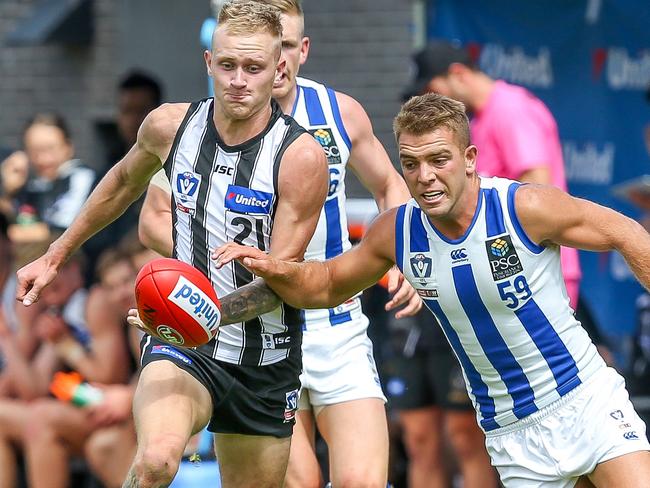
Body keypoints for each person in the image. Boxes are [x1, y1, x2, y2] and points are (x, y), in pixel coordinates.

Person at [214, 93, 650, 487]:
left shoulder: (523, 207)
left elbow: (624, 232)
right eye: (410, 163)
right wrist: (275, 268)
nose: (424, 176)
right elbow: (327, 283)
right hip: (511, 431)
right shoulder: (396, 231)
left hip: (585, 399)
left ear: (470, 158)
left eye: (439, 159)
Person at [16, 2, 330, 487]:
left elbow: (280, 285)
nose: (238, 80)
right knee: (157, 460)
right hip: (182, 346)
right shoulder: (169, 126)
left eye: (253, 67)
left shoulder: (301, 158)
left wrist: (197, 312)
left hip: (263, 358)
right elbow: (120, 185)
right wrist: (56, 255)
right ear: (208, 63)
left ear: (279, 68)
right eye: (227, 65)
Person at [139, 1, 419, 486]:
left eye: (287, 47)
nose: (281, 62)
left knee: (364, 482)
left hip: (335, 321)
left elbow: (390, 187)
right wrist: (203, 266)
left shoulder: (338, 112)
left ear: (299, 50)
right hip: (253, 327)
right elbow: (151, 220)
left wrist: (405, 256)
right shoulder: (202, 125)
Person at [404, 40, 581, 309]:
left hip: (536, 268)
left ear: (459, 74)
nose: (432, 102)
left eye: (432, 90)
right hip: (506, 268)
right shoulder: (479, 118)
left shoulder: (510, 109)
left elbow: (538, 190)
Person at [21, 247, 137, 488]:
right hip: (100, 404)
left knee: (40, 417)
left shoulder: (94, 300)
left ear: (74, 270)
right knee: (33, 415)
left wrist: (66, 345)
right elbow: (35, 388)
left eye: (53, 272)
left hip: (120, 405)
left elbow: (111, 376)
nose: (44, 282)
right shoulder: (58, 312)